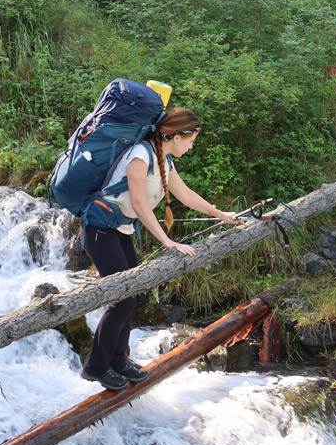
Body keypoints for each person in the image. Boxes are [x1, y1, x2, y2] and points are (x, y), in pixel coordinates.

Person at [81, 107, 239, 391]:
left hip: (120, 229)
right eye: (191, 140)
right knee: (122, 299)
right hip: (100, 229)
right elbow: (140, 203)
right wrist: (167, 242)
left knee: (134, 295)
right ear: (176, 136)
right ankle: (95, 366)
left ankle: (118, 360)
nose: (191, 146)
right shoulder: (140, 155)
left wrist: (220, 214)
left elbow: (186, 195)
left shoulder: (162, 159)